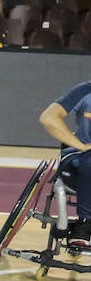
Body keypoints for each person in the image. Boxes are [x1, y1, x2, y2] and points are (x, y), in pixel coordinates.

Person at [37, 85, 91, 247]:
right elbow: (49, 118)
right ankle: (85, 222)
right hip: (79, 160)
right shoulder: (85, 91)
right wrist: (79, 145)